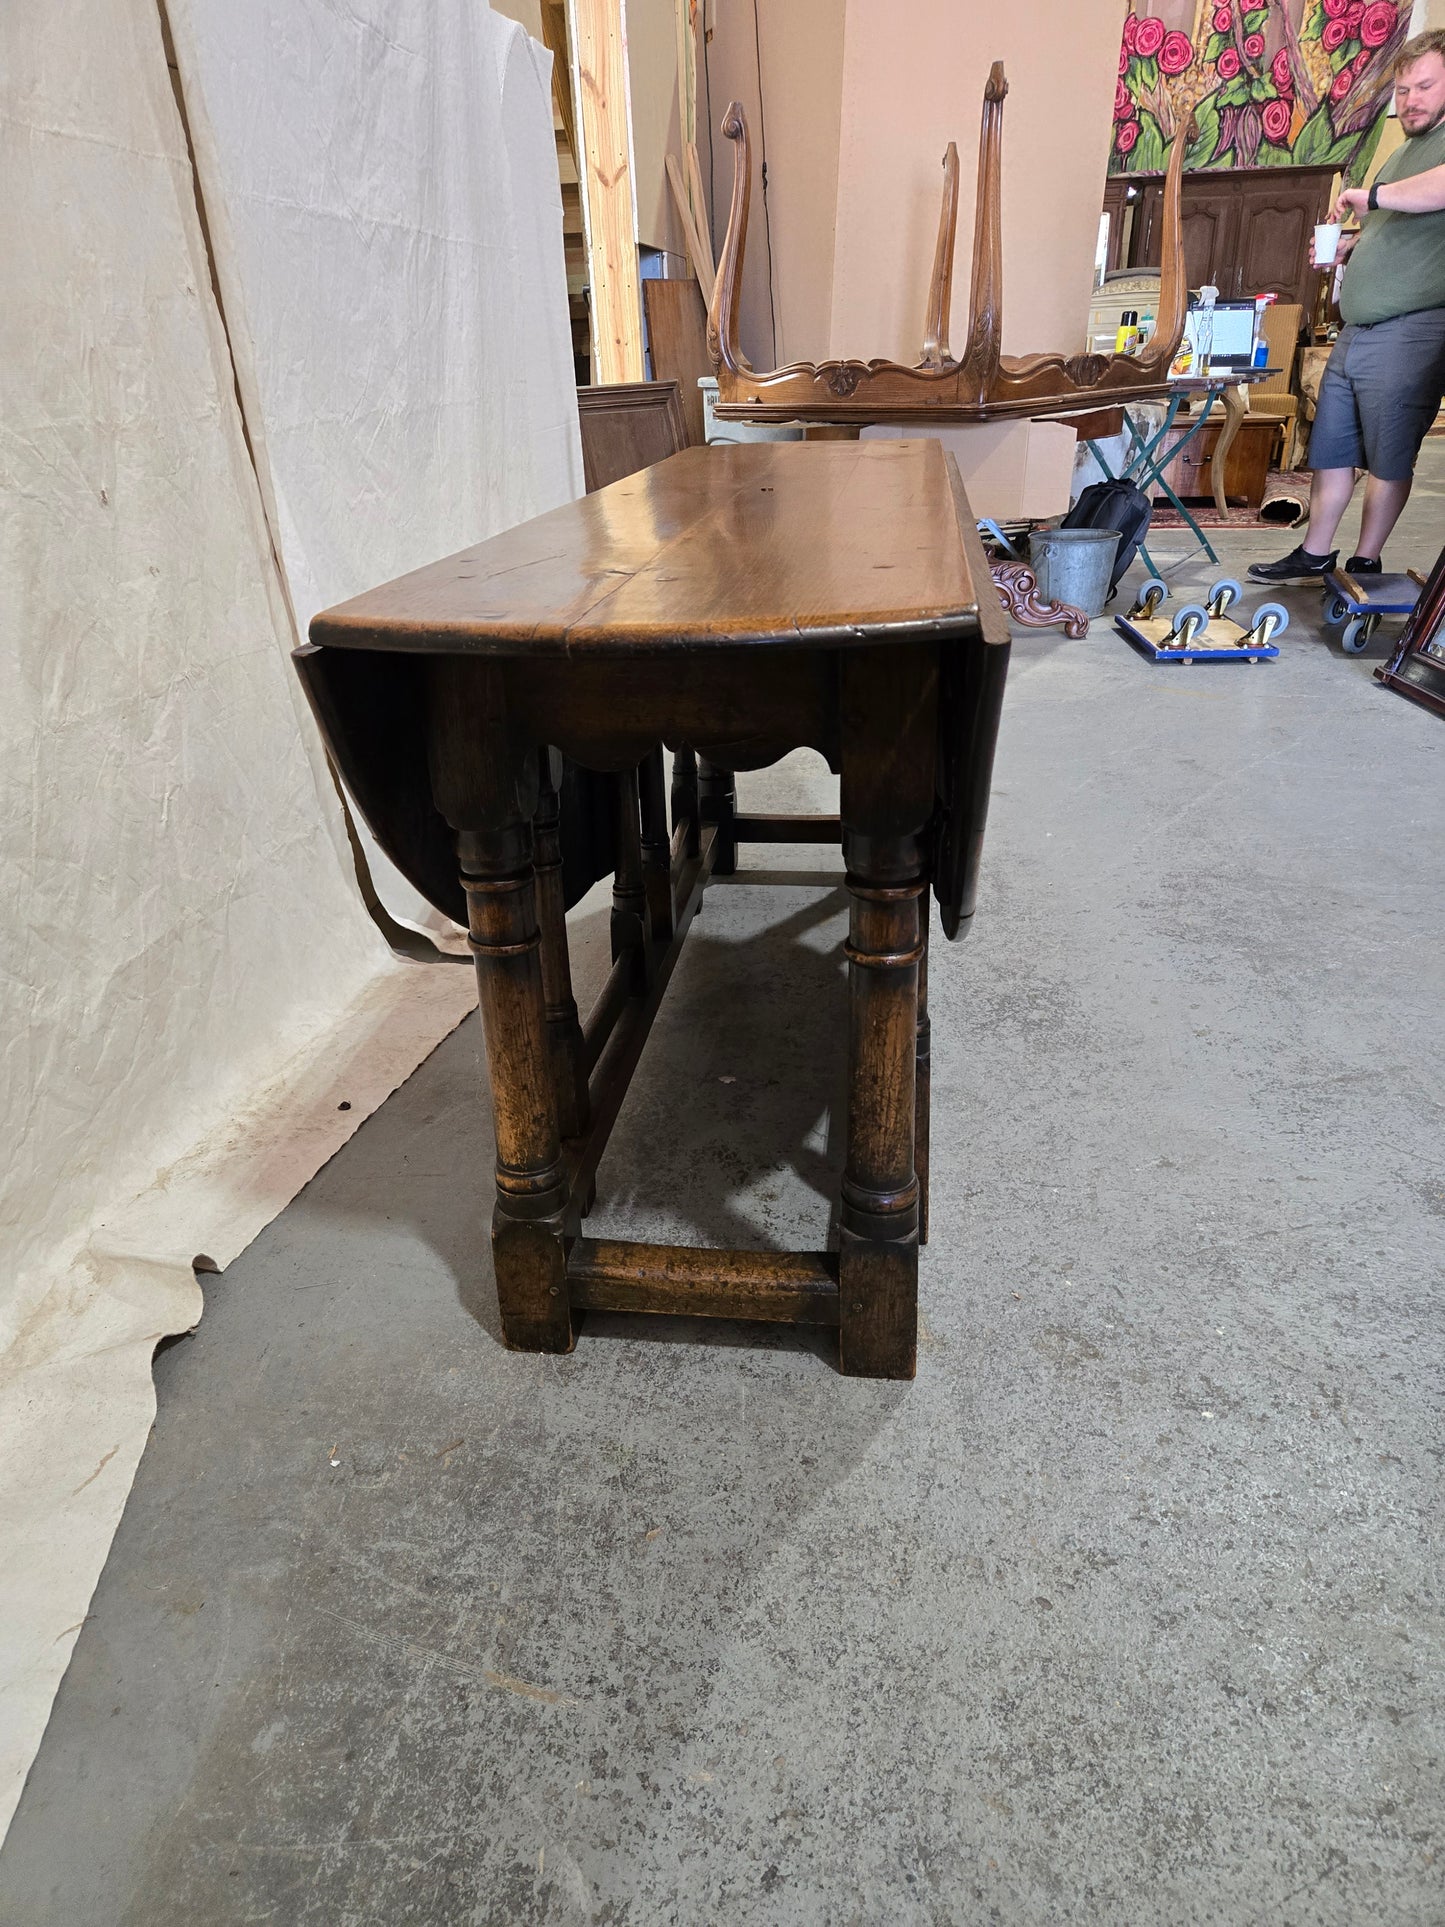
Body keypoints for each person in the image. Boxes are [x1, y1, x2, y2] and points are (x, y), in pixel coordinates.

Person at [1249, 29, 1445, 584]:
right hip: (1358, 328)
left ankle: (1366, 559)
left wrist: (1372, 196)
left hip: (1413, 327)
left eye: (1424, 86)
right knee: (1331, 444)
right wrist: (1354, 241)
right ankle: (1313, 552)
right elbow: (1397, 224)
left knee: (1388, 454)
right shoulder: (1404, 151)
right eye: (1402, 90)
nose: (1410, 100)